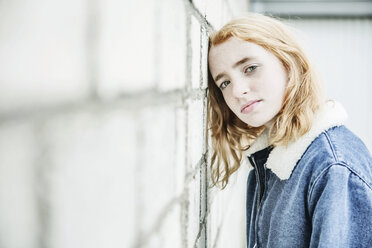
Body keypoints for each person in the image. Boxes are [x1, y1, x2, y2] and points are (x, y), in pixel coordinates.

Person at [207, 13, 372, 248]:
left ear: (288, 62)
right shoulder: (268, 159)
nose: (237, 91)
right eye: (224, 82)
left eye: (250, 68)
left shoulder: (333, 166)